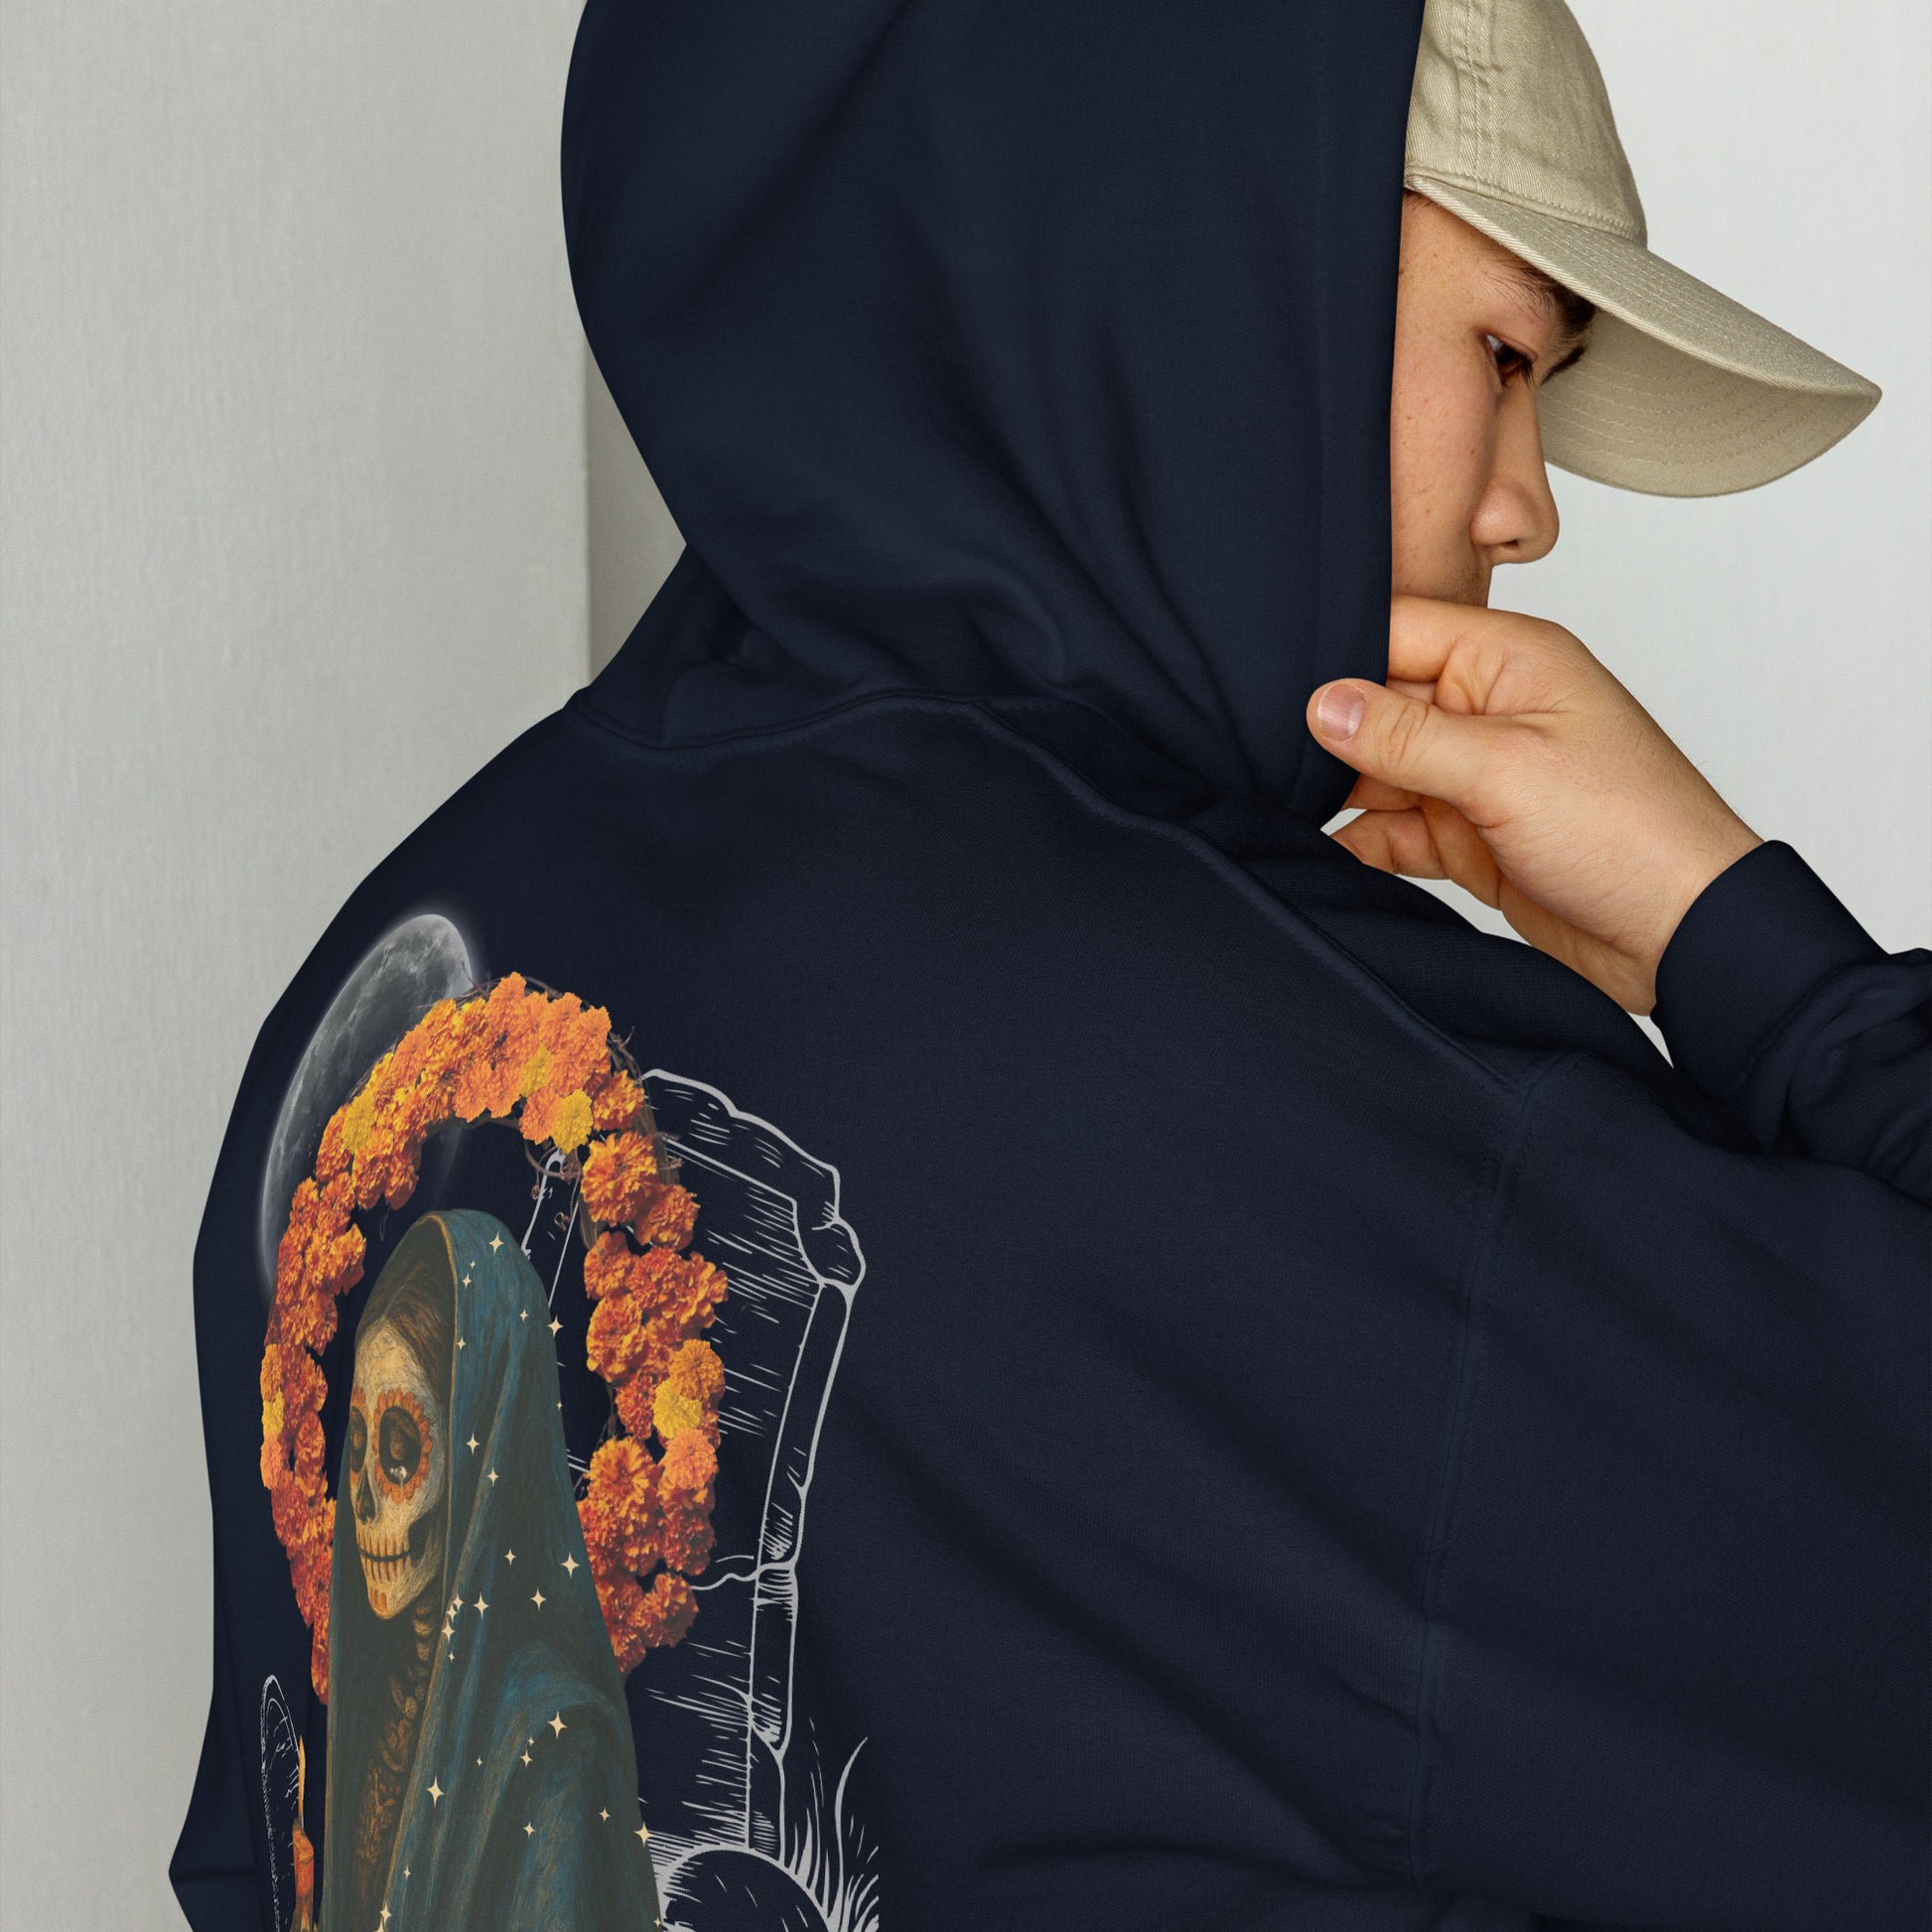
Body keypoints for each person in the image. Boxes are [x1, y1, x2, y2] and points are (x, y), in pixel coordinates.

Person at [174, 2, 1928, 1929]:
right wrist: (1744, 943)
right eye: (1504, 356)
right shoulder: (1342, 1121)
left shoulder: (392, 998)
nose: (1530, 503)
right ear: (1199, 265)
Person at [318, 1210, 660, 1932]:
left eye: (402, 1448)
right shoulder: (381, 1700)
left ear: (485, 1439)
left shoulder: (558, 1750)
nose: (365, 1503)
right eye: (359, 1444)